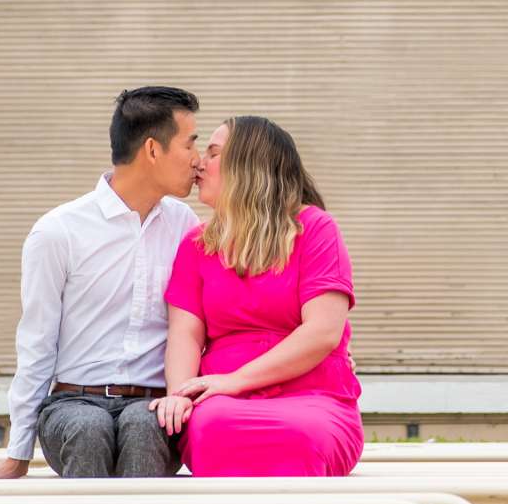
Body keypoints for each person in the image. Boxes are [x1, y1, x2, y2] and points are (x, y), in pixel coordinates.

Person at [0, 86, 201, 479]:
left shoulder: (185, 226)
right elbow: (36, 342)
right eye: (189, 145)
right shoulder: (59, 231)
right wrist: (18, 453)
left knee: (145, 428)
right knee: (88, 429)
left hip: (152, 405)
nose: (197, 160)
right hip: (72, 403)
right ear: (152, 150)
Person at [155, 116, 362, 475]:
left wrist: (235, 380)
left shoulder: (315, 229)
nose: (200, 163)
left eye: (214, 153)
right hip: (221, 403)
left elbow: (323, 332)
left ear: (249, 165)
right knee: (212, 428)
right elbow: (184, 333)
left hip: (314, 398)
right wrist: (179, 394)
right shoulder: (195, 245)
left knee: (306, 435)